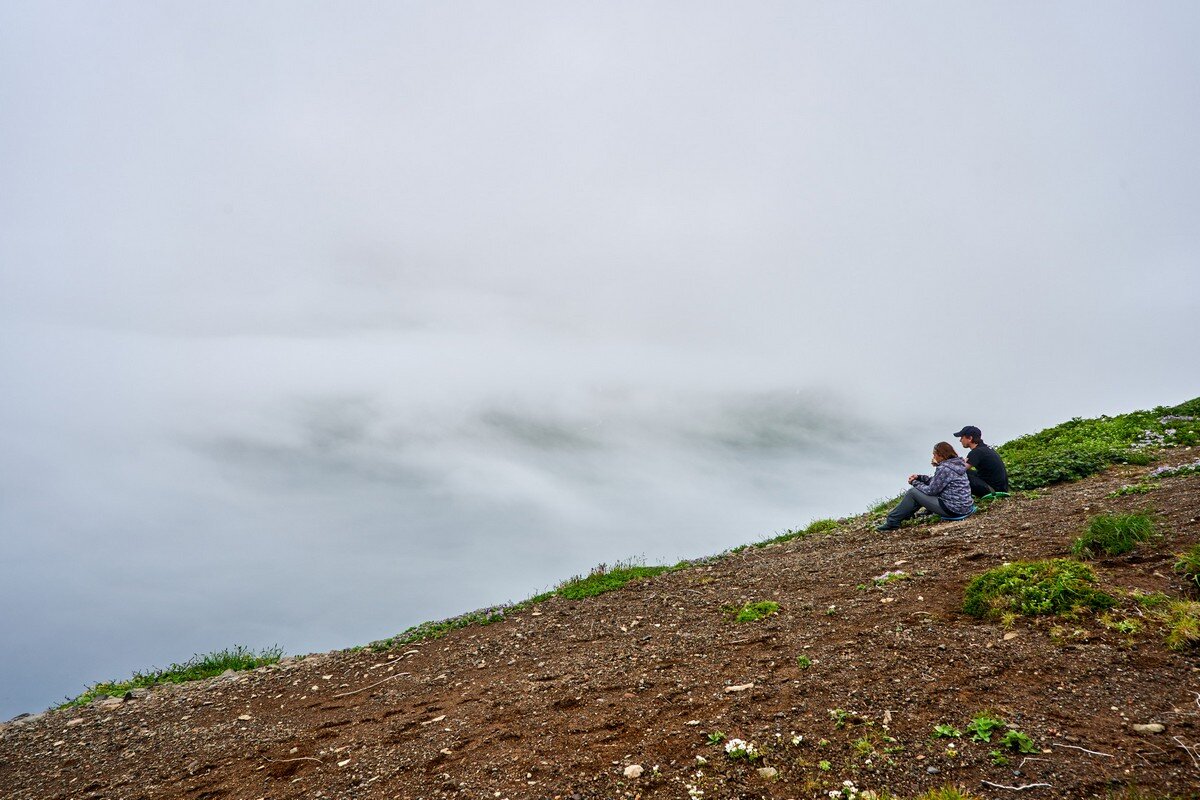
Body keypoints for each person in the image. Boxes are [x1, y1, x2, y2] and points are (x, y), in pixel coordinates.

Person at [876, 442, 974, 531]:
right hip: (966, 507)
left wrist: (914, 483)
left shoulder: (944, 468)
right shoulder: (957, 464)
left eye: (934, 454)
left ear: (940, 455)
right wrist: (920, 478)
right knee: (918, 491)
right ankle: (905, 515)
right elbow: (938, 482)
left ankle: (892, 522)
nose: (933, 456)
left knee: (913, 492)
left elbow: (931, 491)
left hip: (954, 510)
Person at [953, 425, 1009, 497]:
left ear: (970, 438)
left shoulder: (977, 452)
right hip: (1000, 488)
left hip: (993, 490)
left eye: (962, 437)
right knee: (967, 472)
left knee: (958, 474)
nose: (960, 440)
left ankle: (958, 499)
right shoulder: (984, 449)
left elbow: (958, 470)